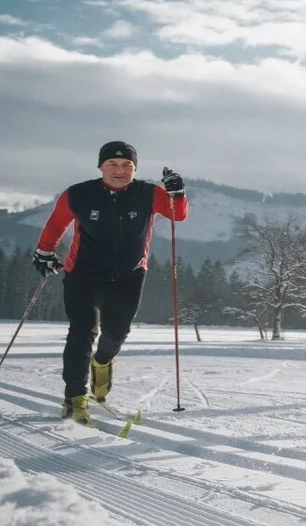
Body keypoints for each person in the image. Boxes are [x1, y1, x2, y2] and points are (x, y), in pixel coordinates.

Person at [32, 141, 189, 425]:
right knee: (82, 332)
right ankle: (75, 399)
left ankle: (102, 362)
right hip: (83, 274)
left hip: (128, 276)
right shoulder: (79, 194)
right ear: (100, 166)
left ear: (134, 168)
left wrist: (176, 193)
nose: (120, 171)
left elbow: (177, 214)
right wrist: (45, 250)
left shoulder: (148, 193)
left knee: (117, 333)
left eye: (127, 165)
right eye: (112, 165)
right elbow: (57, 224)